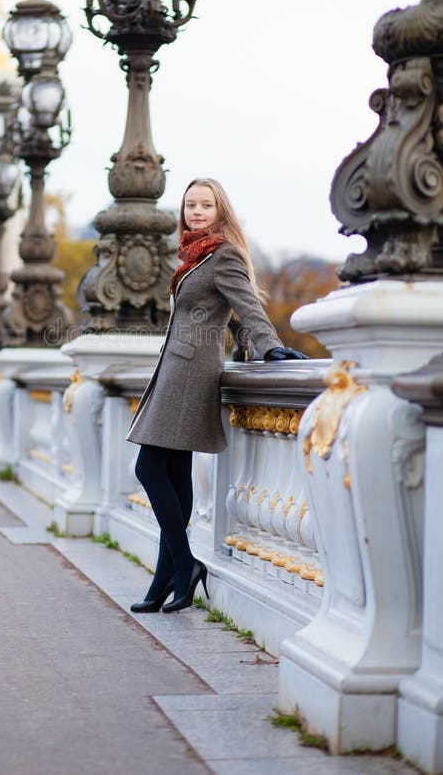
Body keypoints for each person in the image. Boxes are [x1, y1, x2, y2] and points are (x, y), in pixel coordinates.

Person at [126, 178, 308, 614]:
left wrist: (267, 346)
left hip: (190, 373)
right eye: (191, 205)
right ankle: (164, 579)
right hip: (177, 368)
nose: (197, 211)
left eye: (206, 205)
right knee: (173, 472)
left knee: (148, 468)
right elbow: (226, 318)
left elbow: (246, 307)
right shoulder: (193, 255)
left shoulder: (222, 253)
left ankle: (185, 565)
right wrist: (247, 342)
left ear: (220, 210)